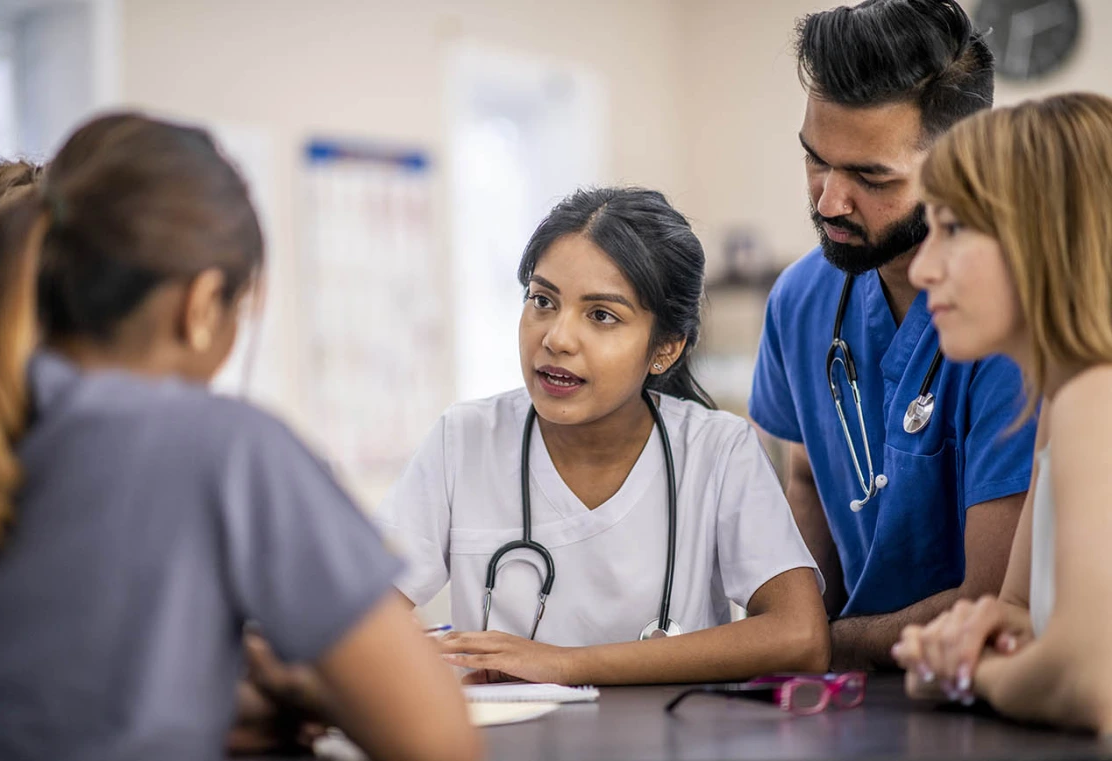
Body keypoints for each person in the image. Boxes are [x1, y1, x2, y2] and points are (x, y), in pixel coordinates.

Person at [0, 113, 479, 761]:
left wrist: (201, 700)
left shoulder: (3, 424)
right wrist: (316, 692)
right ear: (204, 304)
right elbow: (439, 742)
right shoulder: (229, 449)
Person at [375, 187, 828, 686]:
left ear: (666, 348)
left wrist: (565, 664)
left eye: (601, 315)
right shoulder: (464, 441)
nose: (556, 338)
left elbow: (800, 636)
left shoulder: (718, 451)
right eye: (542, 301)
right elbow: (351, 619)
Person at [748, 0, 1037, 670]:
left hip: (977, 685)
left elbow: (987, 599)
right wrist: (793, 626)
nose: (827, 201)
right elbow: (805, 478)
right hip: (843, 691)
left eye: (871, 177)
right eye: (816, 160)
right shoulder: (800, 298)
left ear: (966, 162)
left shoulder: (1016, 317)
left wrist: (815, 642)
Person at [891, 92, 1112, 732]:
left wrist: (963, 673)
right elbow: (1020, 612)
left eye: (954, 229)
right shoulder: (1062, 399)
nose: (925, 267)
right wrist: (974, 634)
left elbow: (1089, 680)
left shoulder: (1096, 394)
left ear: (1054, 233)